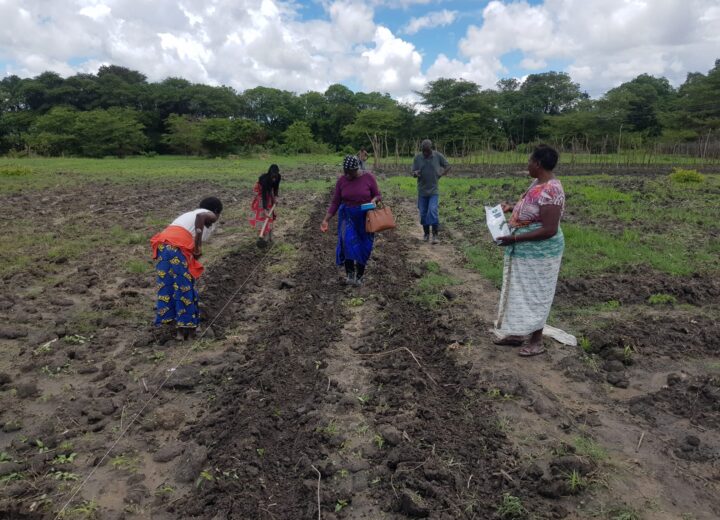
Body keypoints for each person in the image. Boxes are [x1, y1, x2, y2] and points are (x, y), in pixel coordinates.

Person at [494, 144, 565, 357]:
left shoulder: (552, 190)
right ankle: (517, 333)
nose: (527, 165)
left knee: (537, 294)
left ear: (538, 164)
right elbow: (531, 211)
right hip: (526, 250)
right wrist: (510, 209)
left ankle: (536, 340)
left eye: (529, 161)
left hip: (541, 254)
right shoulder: (538, 183)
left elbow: (549, 229)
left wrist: (515, 237)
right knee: (519, 291)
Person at [150, 197, 223, 340]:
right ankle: (186, 328)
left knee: (167, 285)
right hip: (176, 246)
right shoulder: (207, 214)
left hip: (162, 245)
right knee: (184, 286)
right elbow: (201, 217)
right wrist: (198, 246)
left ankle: (168, 324)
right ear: (216, 211)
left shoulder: (186, 217)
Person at [320, 155, 381, 286]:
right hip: (347, 217)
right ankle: (350, 275)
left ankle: (359, 276)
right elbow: (335, 202)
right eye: (345, 172)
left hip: (365, 217)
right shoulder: (342, 180)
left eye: (350, 172)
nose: (347, 175)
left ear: (356, 169)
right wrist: (326, 220)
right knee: (346, 243)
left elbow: (377, 195)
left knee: (364, 246)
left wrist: (374, 200)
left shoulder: (368, 178)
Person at [412, 139, 451, 244]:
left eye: (427, 151)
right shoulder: (418, 158)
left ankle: (435, 235)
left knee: (433, 211)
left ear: (431, 149)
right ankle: (426, 234)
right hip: (422, 191)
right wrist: (416, 173)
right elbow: (413, 172)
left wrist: (442, 173)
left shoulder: (438, 156)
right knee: (423, 213)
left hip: (434, 190)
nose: (425, 153)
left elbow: (448, 165)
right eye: (423, 151)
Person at [250, 164, 281, 243]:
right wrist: (264, 209)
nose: (274, 179)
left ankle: (270, 236)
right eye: (272, 177)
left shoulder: (278, 177)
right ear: (270, 174)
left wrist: (276, 197)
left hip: (269, 191)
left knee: (270, 215)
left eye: (275, 176)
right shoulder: (265, 179)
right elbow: (264, 195)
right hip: (261, 192)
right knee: (263, 214)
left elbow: (276, 187)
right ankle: (264, 235)